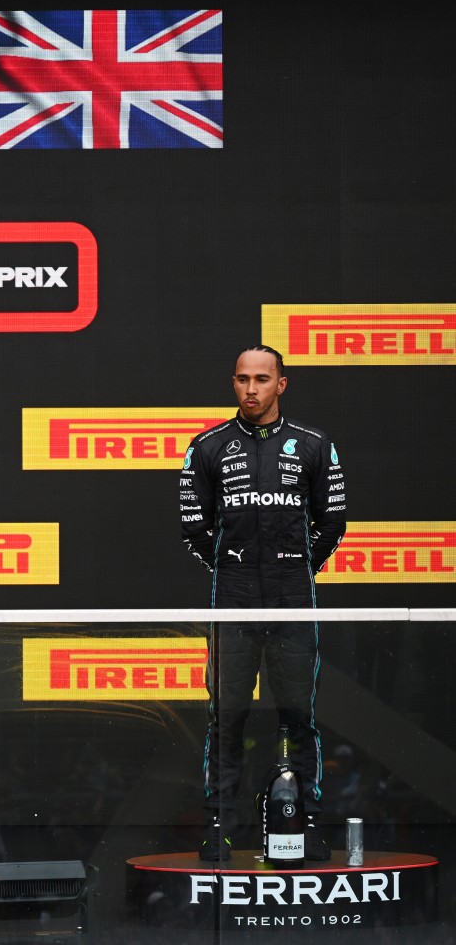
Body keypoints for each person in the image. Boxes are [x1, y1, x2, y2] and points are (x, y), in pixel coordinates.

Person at [179, 345, 346, 861]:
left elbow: (333, 521)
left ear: (281, 384)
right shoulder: (207, 446)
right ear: (233, 383)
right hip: (232, 598)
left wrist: (295, 566)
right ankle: (221, 827)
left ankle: (308, 824)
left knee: (298, 716)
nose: (251, 389)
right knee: (225, 717)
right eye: (242, 379)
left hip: (293, 597)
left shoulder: (315, 445)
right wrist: (232, 567)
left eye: (262, 379)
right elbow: (192, 523)